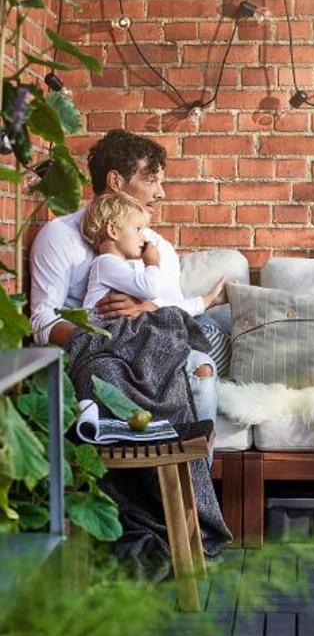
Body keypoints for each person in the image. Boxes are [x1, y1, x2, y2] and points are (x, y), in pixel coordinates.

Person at [30, 129, 221, 422]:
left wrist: (148, 310)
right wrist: (101, 340)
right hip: (92, 349)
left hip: (153, 347)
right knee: (106, 373)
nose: (161, 192)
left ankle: (190, 465)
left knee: (201, 369)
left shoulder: (157, 247)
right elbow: (42, 321)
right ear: (116, 182)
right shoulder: (60, 236)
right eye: (151, 179)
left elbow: (175, 318)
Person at [80, 192, 225, 324]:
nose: (144, 238)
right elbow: (150, 290)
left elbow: (158, 305)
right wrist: (152, 263)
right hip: (102, 339)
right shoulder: (105, 263)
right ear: (113, 231)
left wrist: (206, 300)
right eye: (138, 229)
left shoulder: (124, 272)